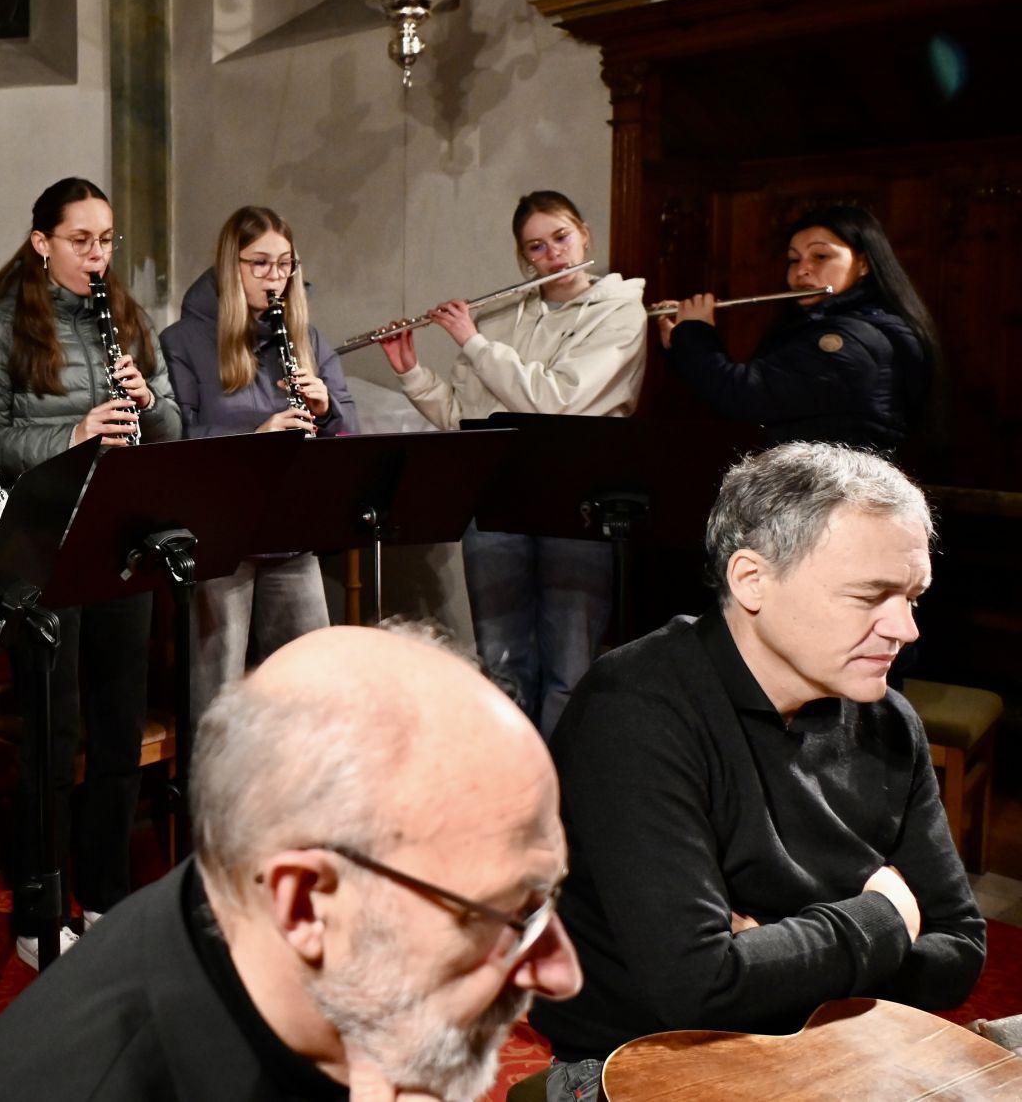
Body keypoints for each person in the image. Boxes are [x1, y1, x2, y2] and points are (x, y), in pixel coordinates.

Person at [0, 624, 584, 1102]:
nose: (564, 975)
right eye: (514, 913)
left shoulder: (283, 950)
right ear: (306, 904)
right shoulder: (80, 1084)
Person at [531, 442, 985, 1102]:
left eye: (913, 596)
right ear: (751, 581)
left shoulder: (888, 720)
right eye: (870, 596)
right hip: (639, 1066)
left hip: (839, 1048)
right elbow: (700, 987)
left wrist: (774, 951)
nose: (905, 627)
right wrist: (884, 918)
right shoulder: (635, 708)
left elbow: (961, 951)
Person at [0, 177, 182, 971]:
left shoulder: (122, 317)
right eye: (82, 240)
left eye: (107, 240)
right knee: (52, 736)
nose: (98, 255)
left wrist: (145, 403)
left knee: (118, 727)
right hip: (46, 546)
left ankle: (109, 896)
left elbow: (172, 424)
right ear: (41, 243)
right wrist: (79, 429)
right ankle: (41, 905)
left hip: (119, 539)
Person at [380, 191, 648, 735]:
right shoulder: (504, 314)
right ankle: (508, 796)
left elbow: (558, 401)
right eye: (537, 247)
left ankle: (562, 808)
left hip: (576, 498)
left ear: (585, 236)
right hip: (498, 497)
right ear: (524, 257)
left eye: (562, 239)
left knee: (570, 671)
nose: (553, 255)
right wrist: (413, 373)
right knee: (502, 666)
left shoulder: (621, 310)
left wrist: (475, 343)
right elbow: (464, 420)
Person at [162, 205, 356, 723]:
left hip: (291, 529)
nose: (276, 278)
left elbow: (348, 437)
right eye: (260, 264)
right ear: (232, 264)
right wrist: (255, 435)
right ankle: (214, 803)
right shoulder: (183, 341)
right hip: (222, 538)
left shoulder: (306, 339)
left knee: (308, 691)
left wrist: (326, 410)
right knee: (219, 698)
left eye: (285, 265)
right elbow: (178, 439)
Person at [656, 204, 939, 456]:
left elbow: (744, 400)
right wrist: (681, 344)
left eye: (820, 257)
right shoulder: (826, 328)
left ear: (863, 263)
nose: (802, 270)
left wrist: (696, 333)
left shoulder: (851, 341)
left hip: (833, 497)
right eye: (794, 259)